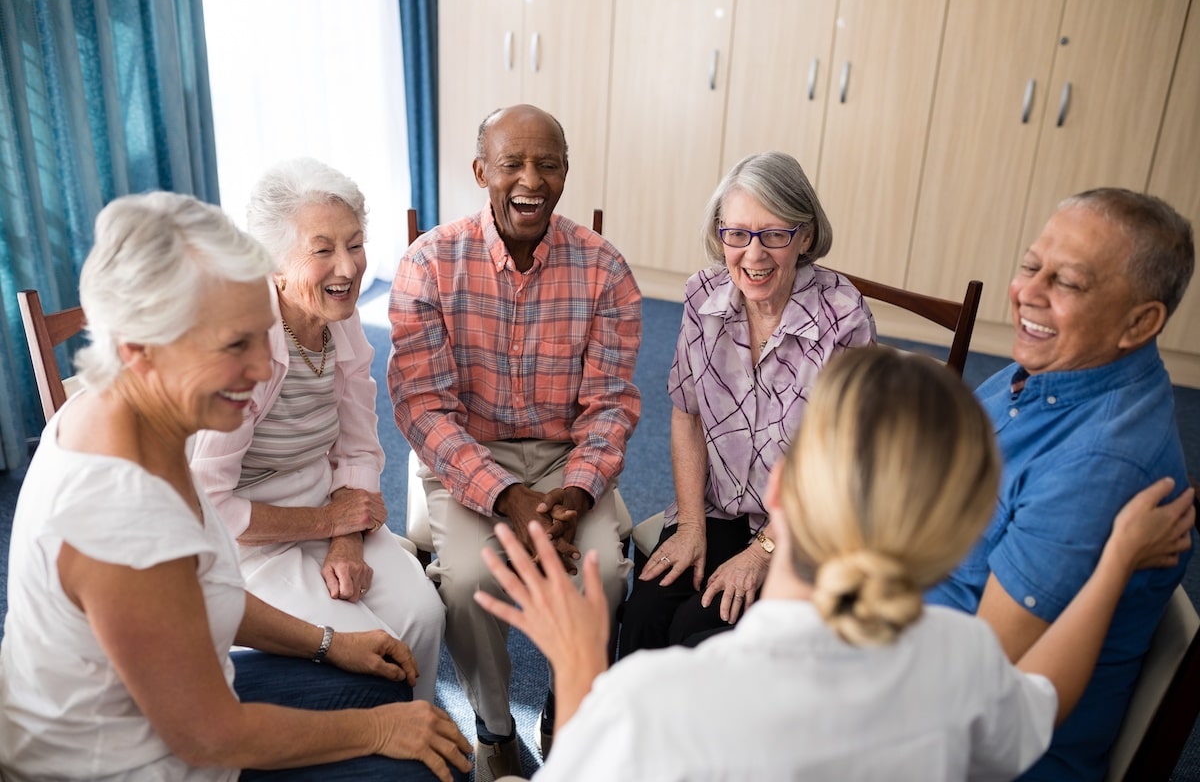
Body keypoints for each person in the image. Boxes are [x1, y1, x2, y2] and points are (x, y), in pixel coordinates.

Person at [475, 347, 1196, 781]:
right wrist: (1113, 567)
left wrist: (576, 674)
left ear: (778, 487)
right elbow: (1039, 703)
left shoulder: (649, 703)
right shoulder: (964, 659)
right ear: (955, 535)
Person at [0, 192, 471, 781]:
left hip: (170, 710)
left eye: (260, 337)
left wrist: (328, 642)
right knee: (419, 761)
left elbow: (198, 594)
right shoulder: (121, 516)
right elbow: (209, 737)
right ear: (139, 350)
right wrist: (378, 730)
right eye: (233, 346)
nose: (260, 368)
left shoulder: (121, 416)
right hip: (134, 763)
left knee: (384, 678)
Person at [388, 104, 640, 780]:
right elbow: (424, 408)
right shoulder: (430, 264)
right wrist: (509, 500)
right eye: (513, 164)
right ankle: (497, 728)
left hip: (567, 460)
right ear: (480, 172)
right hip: (470, 456)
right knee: (469, 581)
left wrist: (577, 492)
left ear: (565, 174)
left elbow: (611, 404)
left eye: (548, 164)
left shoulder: (606, 270)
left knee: (606, 576)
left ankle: (569, 705)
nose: (531, 179)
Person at [927, 188, 1197, 781]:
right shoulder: (1047, 368)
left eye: (1068, 283)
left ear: (1140, 322)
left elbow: (973, 685)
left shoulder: (1100, 466)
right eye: (1030, 266)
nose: (1027, 291)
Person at [190, 157, 445, 703]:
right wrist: (326, 519)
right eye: (323, 249)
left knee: (423, 613)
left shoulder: (339, 316)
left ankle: (416, 738)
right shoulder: (241, 347)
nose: (348, 269)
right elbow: (208, 504)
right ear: (272, 265)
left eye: (355, 244)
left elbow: (358, 442)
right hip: (248, 541)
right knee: (366, 650)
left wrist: (345, 536)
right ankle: (375, 742)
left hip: (328, 508)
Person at [619, 150, 875, 656]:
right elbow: (687, 414)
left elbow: (840, 464)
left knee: (696, 630)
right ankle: (634, 734)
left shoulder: (843, 320)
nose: (753, 255)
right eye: (737, 234)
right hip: (717, 505)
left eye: (774, 234)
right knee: (646, 610)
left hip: (802, 526)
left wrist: (765, 551)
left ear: (804, 236)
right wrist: (691, 524)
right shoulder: (702, 296)